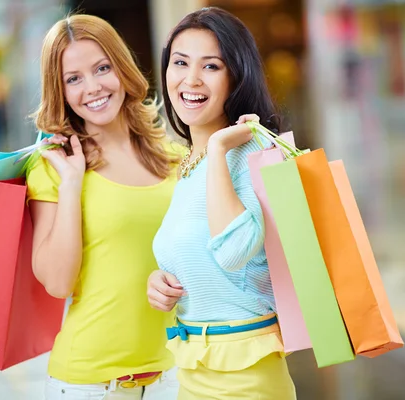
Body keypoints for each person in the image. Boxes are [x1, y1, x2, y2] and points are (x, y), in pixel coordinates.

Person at [27, 14, 183, 400]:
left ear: (122, 68)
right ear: (59, 90)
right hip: (89, 385)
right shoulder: (52, 167)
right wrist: (72, 182)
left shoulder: (174, 157)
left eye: (102, 68)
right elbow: (58, 282)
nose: (93, 88)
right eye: (73, 78)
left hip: (173, 376)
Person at [147, 7, 297, 399]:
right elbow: (206, 261)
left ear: (236, 75)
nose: (190, 79)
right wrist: (161, 281)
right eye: (180, 62)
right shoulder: (188, 163)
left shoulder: (254, 150)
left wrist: (218, 149)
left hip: (246, 376)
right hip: (194, 366)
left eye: (210, 66)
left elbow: (233, 253)